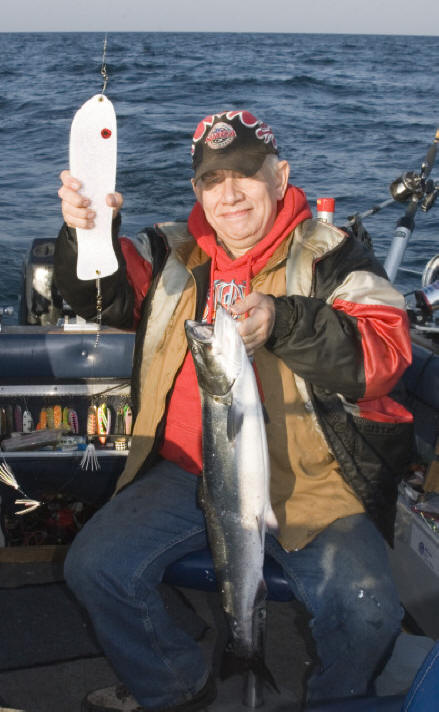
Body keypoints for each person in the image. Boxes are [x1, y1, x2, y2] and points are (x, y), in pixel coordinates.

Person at [55, 110, 413, 712]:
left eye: (247, 173)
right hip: (188, 468)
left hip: (313, 483)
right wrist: (86, 235)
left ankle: (338, 703)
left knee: (369, 609)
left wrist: (285, 320)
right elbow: (103, 295)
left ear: (280, 177)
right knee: (95, 567)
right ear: (197, 190)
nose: (230, 194)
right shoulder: (169, 251)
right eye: (213, 180)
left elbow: (384, 355)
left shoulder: (335, 257)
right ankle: (174, 686)